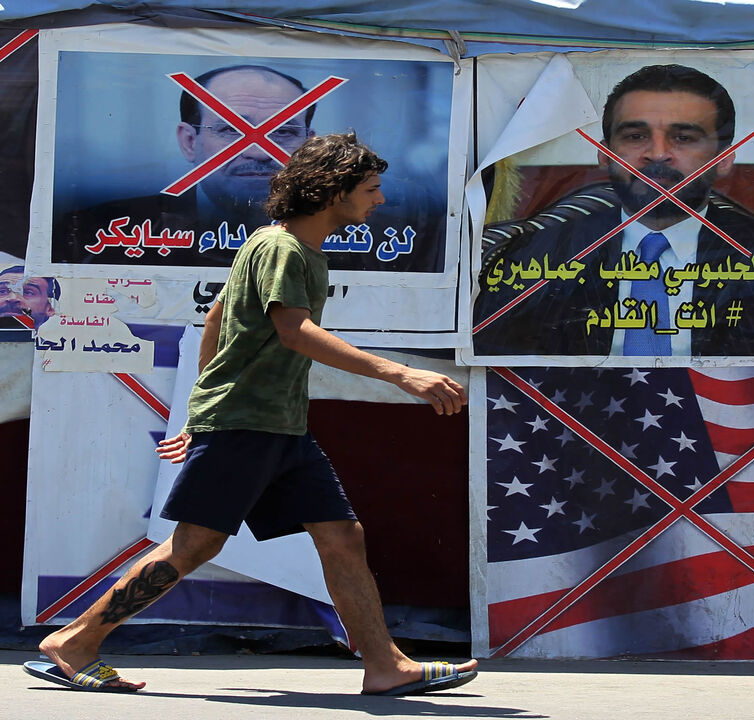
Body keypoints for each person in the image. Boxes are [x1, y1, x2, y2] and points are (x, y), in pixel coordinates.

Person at [24, 133, 478, 695]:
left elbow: (217, 316)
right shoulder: (283, 249)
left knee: (342, 536)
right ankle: (74, 642)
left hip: (280, 426)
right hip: (248, 425)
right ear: (333, 191)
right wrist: (400, 373)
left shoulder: (282, 246)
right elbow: (294, 332)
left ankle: (385, 666)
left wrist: (197, 412)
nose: (379, 200)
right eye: (370, 189)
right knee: (195, 546)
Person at [474, 64, 754, 357]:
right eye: (636, 136)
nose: (657, 153)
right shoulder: (530, 255)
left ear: (724, 158)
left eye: (683, 137)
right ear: (604, 153)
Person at [55, 64, 446, 272]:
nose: (259, 152)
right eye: (231, 130)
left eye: (284, 132)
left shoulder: (377, 237)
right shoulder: (96, 233)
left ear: (308, 143)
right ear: (189, 141)